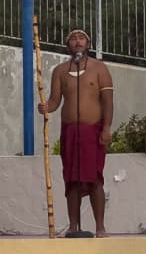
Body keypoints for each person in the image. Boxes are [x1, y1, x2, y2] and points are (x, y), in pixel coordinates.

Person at [38, 28, 114, 237]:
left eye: (81, 38)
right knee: (72, 179)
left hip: (94, 130)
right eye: (73, 39)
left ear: (88, 44)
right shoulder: (60, 71)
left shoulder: (100, 68)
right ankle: (73, 226)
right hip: (70, 131)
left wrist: (107, 127)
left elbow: (108, 101)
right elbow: (55, 101)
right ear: (68, 45)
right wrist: (46, 107)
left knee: (95, 178)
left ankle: (100, 227)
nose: (77, 42)